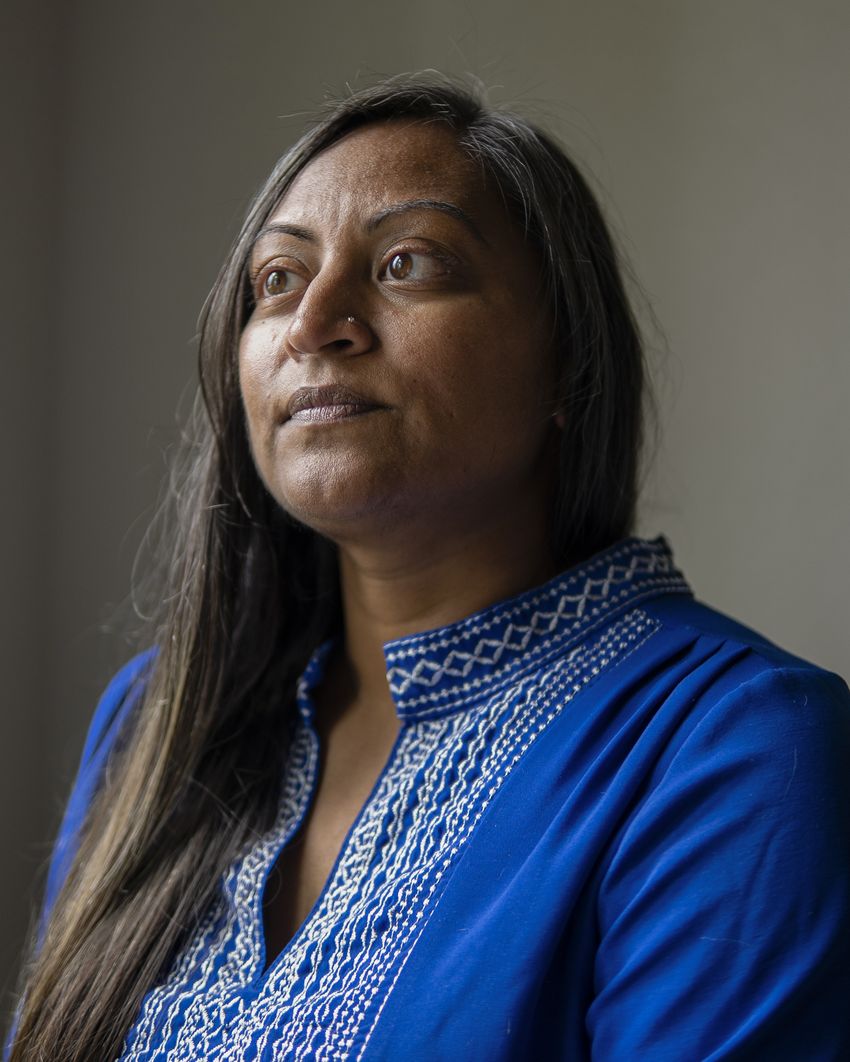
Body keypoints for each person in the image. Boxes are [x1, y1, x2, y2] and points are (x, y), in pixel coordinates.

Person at [6, 71, 850, 1061]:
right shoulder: (154, 723)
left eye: (407, 263)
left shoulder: (736, 749)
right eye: (277, 279)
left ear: (567, 369)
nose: (315, 322)